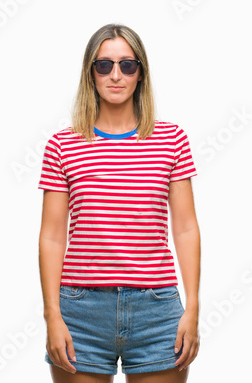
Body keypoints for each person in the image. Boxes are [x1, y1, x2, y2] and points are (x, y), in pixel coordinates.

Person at [38, 23, 201, 383]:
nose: (116, 75)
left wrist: (193, 308)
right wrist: (53, 315)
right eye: (104, 65)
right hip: (80, 310)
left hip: (157, 309)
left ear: (140, 73)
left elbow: (186, 227)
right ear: (90, 72)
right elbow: (51, 236)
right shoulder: (62, 145)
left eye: (127, 65)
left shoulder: (171, 140)